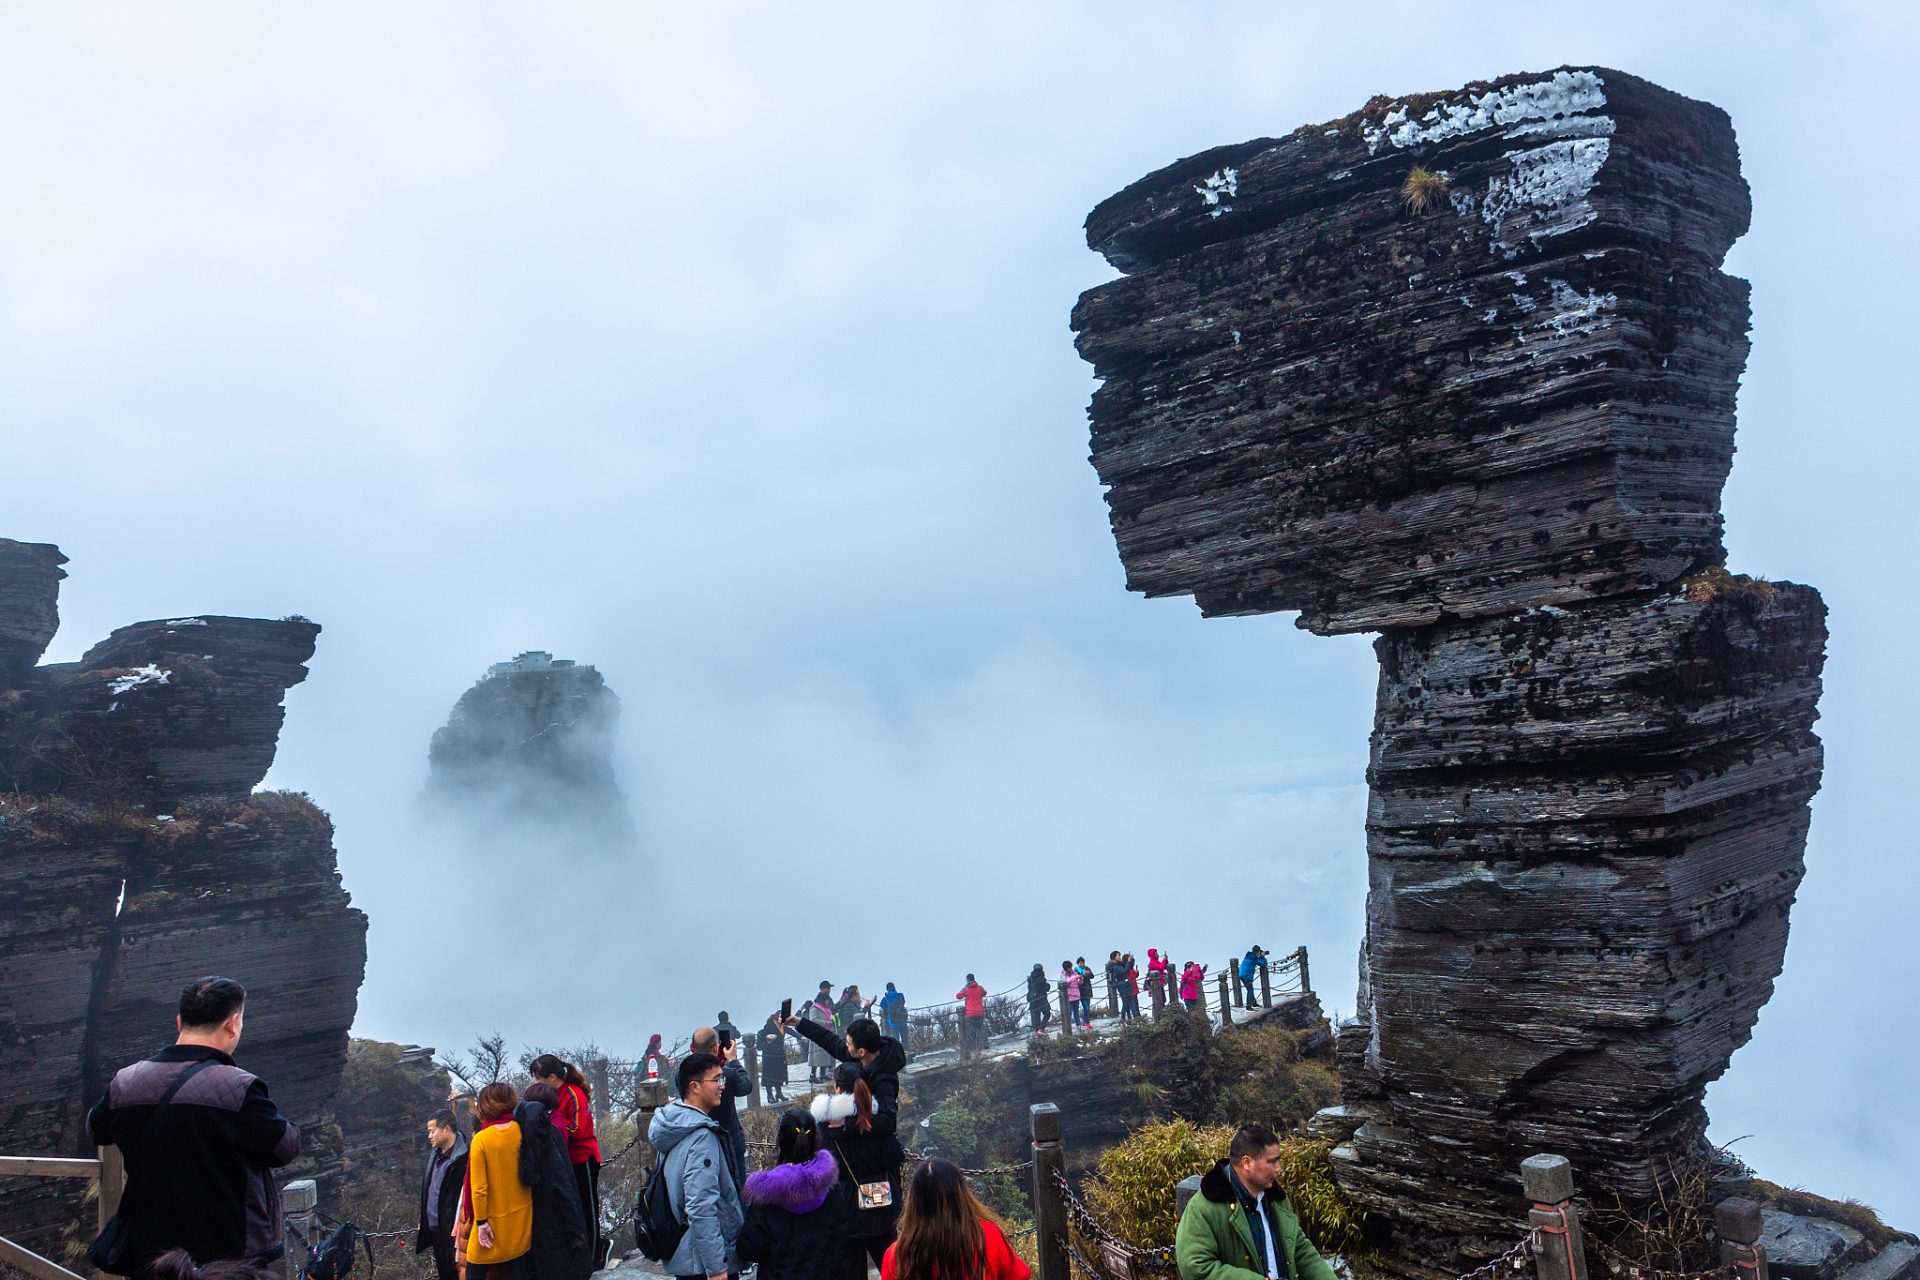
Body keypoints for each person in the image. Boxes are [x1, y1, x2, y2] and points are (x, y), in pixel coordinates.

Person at [86, 976, 302, 1273]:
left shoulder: (127, 1081)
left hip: (152, 1257)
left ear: (179, 1022)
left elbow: (97, 1130)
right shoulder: (238, 1089)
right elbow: (284, 1147)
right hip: (227, 1260)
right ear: (232, 1023)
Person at [1175, 1124, 1338, 1280]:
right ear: (1246, 1163)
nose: (1279, 1168)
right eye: (1272, 1161)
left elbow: (1300, 1251)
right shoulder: (1204, 1207)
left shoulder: (1277, 1199)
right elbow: (1195, 1268)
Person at [649, 1052, 745, 1280]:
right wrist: (717, 1268)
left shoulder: (674, 1123)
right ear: (694, 1086)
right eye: (716, 1080)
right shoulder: (701, 1137)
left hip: (686, 1253)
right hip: (703, 1263)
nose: (722, 1086)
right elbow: (701, 1206)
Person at [735, 1107, 849, 1280]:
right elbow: (842, 1237)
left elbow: (750, 1248)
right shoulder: (831, 1187)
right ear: (816, 1139)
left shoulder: (766, 1196)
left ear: (779, 1141)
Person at [816, 1061, 906, 1276]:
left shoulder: (825, 1124)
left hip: (845, 1211)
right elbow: (895, 1157)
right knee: (895, 1270)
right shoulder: (877, 1119)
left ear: (837, 1089)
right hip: (883, 1205)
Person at [880, 1157, 1029, 1280]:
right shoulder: (987, 1236)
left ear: (914, 1202)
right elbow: (1020, 1275)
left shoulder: (896, 1255)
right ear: (960, 1194)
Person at [783, 1011, 906, 1142]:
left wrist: (847, 1122)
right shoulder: (857, 1054)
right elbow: (828, 1039)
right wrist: (798, 1023)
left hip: (874, 1144)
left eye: (848, 1043)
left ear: (861, 1051)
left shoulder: (885, 1080)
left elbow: (887, 1122)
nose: (845, 1045)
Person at [529, 1054, 603, 1266]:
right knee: (574, 1211)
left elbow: (578, 1130)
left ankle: (595, 1255)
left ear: (552, 1077)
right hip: (564, 1160)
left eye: (538, 1078)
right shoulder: (550, 1095)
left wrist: (551, 1131)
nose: (536, 1083)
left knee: (588, 1209)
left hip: (583, 1158)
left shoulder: (573, 1093)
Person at [514, 1083, 594, 1280]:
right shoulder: (551, 1128)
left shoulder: (537, 1131)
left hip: (539, 1212)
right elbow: (562, 1182)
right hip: (555, 1210)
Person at [465, 1082, 533, 1280]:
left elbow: (479, 1189)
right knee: (519, 1271)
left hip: (491, 1223)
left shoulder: (482, 1139)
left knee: (474, 1272)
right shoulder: (522, 1131)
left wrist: (481, 1223)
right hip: (521, 1218)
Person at [689, 1026, 755, 1192]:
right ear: (716, 1048)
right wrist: (733, 1060)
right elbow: (746, 1086)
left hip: (699, 1145)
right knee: (738, 1195)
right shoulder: (728, 1075)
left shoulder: (683, 1076)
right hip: (730, 1145)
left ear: (691, 1048)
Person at [417, 1108, 470, 1280]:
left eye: (432, 1132)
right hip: (436, 1232)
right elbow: (430, 1190)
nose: (429, 1136)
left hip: (455, 1235)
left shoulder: (464, 1159)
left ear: (447, 1129)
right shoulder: (435, 1155)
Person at [804, 983, 836, 1084]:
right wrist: (825, 1023)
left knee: (825, 1055)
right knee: (816, 1057)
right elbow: (813, 1020)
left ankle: (823, 1073)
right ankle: (812, 1075)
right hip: (817, 1035)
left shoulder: (826, 1008)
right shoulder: (814, 1008)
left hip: (826, 1033)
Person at [758, 1012, 793, 1103]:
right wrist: (767, 1037)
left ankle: (779, 1093)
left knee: (779, 1074)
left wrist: (801, 1038)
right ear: (776, 1017)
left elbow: (791, 1031)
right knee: (769, 1075)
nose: (781, 1019)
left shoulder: (782, 1026)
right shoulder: (769, 1026)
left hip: (779, 1053)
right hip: (769, 1054)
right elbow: (762, 1037)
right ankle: (769, 1095)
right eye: (780, 1017)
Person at [955, 974, 988, 1055]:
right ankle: (985, 1044)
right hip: (980, 1011)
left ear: (967, 980)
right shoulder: (979, 988)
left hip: (970, 1013)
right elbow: (984, 993)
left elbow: (958, 996)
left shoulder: (966, 989)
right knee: (981, 1028)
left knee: (971, 1030)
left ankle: (972, 1047)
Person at [878, 983, 910, 1056]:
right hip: (903, 1021)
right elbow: (903, 1003)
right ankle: (908, 1055)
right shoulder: (901, 995)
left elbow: (882, 1006)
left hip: (893, 1023)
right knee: (905, 1040)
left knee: (896, 1041)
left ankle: (898, 1055)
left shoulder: (885, 999)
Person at [1025, 964, 1052, 1035]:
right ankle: (1041, 1029)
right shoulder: (1041, 978)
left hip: (1032, 999)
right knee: (1047, 1014)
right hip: (1041, 999)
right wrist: (1047, 983)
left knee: (1036, 1016)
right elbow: (1047, 988)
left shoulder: (1030, 978)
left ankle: (1037, 1032)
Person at [1060, 961, 1083, 1031]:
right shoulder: (1063, 974)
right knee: (1069, 1012)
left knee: (1076, 1012)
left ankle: (1078, 1025)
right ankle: (1067, 1026)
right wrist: (1075, 977)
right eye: (1069, 968)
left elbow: (1079, 983)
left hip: (1076, 995)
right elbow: (1065, 982)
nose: (1071, 969)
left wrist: (1080, 979)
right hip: (1069, 997)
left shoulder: (1074, 972)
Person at [1074, 958, 1098, 1025]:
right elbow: (1076, 979)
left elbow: (1092, 976)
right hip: (1081, 991)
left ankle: (1085, 1020)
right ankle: (1087, 1022)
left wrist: (1089, 974)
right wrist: (1083, 975)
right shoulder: (1076, 970)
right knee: (1086, 1008)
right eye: (1080, 963)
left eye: (1083, 963)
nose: (1082, 964)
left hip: (1088, 989)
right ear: (1078, 964)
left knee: (1087, 1007)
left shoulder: (1087, 968)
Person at [1120, 954, 1142, 1021]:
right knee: (1132, 1004)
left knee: (1132, 1003)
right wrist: (1135, 973)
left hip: (1133, 988)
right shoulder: (1127, 969)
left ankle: (1130, 1016)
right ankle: (1135, 1016)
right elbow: (1131, 977)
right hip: (1131, 988)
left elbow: (1134, 976)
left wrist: (1137, 973)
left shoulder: (1128, 969)